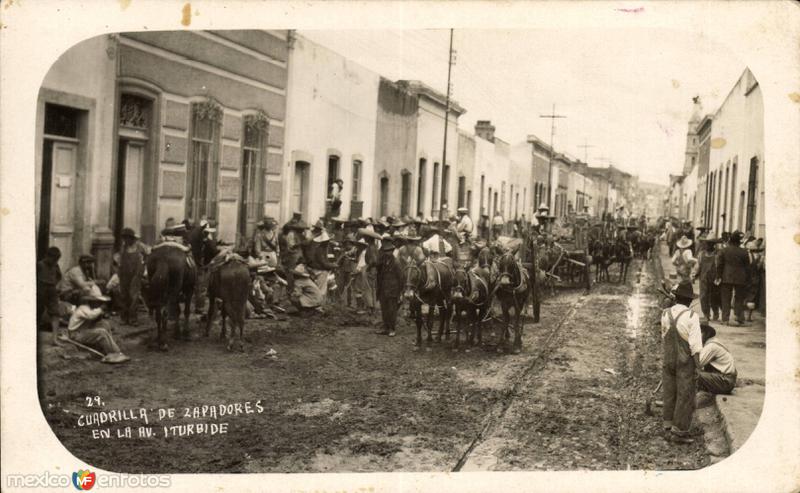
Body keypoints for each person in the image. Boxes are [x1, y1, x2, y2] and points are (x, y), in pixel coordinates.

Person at [661, 280, 703, 444]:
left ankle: (667, 426)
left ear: (676, 298)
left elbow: (664, 336)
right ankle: (678, 433)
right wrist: (699, 368)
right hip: (684, 361)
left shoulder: (665, 313)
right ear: (690, 300)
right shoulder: (692, 316)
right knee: (685, 394)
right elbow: (696, 347)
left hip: (668, 358)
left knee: (669, 392)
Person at [67, 293, 130, 364]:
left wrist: (102, 313)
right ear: (92, 302)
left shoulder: (92, 309)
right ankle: (114, 353)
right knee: (101, 332)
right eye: (98, 302)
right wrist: (101, 309)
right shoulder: (83, 308)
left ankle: (109, 347)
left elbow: (96, 319)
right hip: (76, 334)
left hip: (83, 331)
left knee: (104, 324)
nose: (100, 304)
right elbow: (91, 316)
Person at [716, 230, 750, 326]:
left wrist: (718, 276)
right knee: (739, 297)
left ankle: (725, 319)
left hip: (727, 276)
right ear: (739, 241)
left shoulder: (724, 250)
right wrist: (747, 278)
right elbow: (747, 267)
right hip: (741, 277)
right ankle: (739, 317)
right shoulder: (744, 252)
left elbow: (720, 265)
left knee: (726, 298)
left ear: (730, 240)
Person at [117, 228, 150, 326]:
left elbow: (148, 254)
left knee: (134, 296)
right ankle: (124, 317)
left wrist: (143, 266)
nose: (126, 241)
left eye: (127, 238)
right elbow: (119, 261)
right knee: (124, 295)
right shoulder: (123, 247)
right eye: (124, 238)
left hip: (136, 274)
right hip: (124, 274)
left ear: (132, 238)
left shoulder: (140, 246)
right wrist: (119, 272)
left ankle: (133, 318)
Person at [376, 236, 404, 337]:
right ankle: (385, 327)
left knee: (392, 310)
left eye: (389, 251)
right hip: (383, 289)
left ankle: (392, 328)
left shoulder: (396, 263)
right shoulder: (383, 261)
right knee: (384, 309)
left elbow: (401, 278)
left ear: (392, 251)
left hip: (393, 290)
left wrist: (400, 293)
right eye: (385, 251)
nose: (387, 253)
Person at [697, 323, 737, 395]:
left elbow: (697, 364)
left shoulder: (711, 346)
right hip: (725, 379)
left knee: (693, 374)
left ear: (706, 333)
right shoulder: (711, 342)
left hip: (725, 382)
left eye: (699, 333)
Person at [37, 246, 64, 343]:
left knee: (55, 313)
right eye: (54, 258)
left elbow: (59, 276)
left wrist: (54, 284)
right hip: (40, 289)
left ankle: (54, 339)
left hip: (52, 290)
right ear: (47, 256)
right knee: (38, 312)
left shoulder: (55, 265)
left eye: (57, 259)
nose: (55, 261)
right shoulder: (39, 265)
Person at [693, 235, 721, 321]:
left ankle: (715, 312)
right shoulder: (701, 254)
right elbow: (697, 266)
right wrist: (694, 275)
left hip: (714, 279)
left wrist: (719, 277)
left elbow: (720, 266)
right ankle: (706, 314)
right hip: (704, 279)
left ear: (713, 245)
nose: (708, 245)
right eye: (707, 243)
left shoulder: (718, 254)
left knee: (714, 297)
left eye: (710, 244)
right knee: (703, 297)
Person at [306, 226, 338, 298]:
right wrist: (332, 265)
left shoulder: (313, 246)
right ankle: (318, 305)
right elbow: (323, 262)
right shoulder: (320, 249)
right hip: (320, 270)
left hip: (313, 269)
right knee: (321, 290)